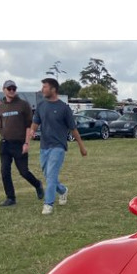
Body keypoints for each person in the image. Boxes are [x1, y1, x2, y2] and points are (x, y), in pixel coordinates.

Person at [28, 77, 87, 216]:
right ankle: (62, 190)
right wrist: (32, 131)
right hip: (44, 146)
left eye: (45, 87)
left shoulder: (64, 108)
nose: (42, 89)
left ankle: (48, 204)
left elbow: (73, 129)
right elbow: (35, 123)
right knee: (48, 176)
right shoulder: (41, 106)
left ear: (53, 89)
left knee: (51, 175)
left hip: (58, 146)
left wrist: (81, 146)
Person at [0, 80, 44, 208]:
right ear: (4, 90)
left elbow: (29, 126)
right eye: (9, 88)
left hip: (19, 143)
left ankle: (37, 184)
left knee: (23, 171)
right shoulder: (1, 106)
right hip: (5, 144)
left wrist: (26, 143)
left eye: (14, 88)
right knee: (4, 171)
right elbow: (0, 124)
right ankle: (10, 198)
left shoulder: (23, 105)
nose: (12, 90)